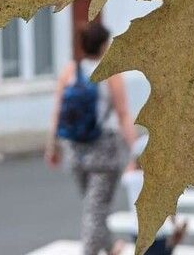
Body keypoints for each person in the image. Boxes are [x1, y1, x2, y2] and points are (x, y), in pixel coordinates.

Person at [46, 21, 136, 255]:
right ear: (104, 45)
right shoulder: (111, 74)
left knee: (94, 208)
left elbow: (57, 112)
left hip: (76, 152)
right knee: (95, 212)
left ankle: (112, 247)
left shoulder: (70, 71)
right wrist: (136, 150)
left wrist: (52, 146)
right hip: (105, 152)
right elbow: (123, 114)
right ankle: (92, 250)